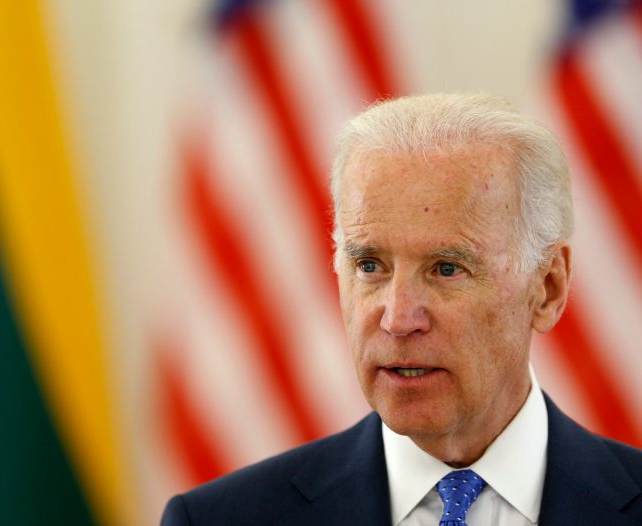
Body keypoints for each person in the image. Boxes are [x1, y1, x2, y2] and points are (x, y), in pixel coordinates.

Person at [160, 93, 642, 525]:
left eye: (447, 269)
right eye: (370, 265)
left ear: (549, 287)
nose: (397, 318)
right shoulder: (216, 519)